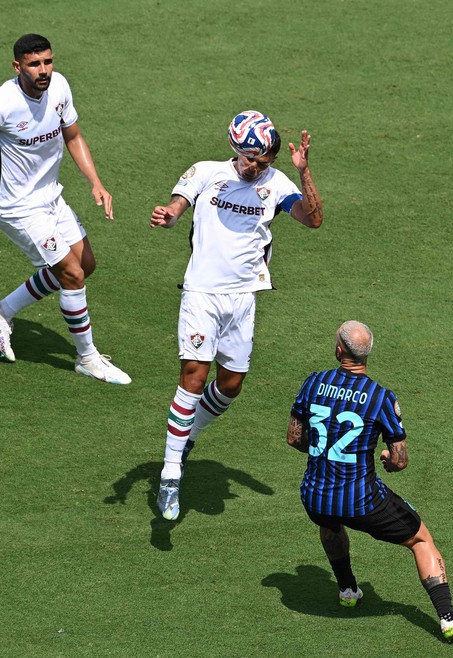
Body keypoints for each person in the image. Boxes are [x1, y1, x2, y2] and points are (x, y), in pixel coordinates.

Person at [149, 110, 324, 521]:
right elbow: (178, 205)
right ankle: (170, 474)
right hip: (202, 294)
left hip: (244, 297)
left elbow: (313, 220)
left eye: (263, 162)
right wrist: (169, 215)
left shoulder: (276, 184)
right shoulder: (205, 172)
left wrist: (303, 172)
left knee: (230, 385)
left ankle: (186, 436)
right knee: (193, 375)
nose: (255, 168)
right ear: (234, 147)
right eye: (250, 159)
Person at [0, 33, 130, 384]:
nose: (44, 70)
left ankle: (1, 311)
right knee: (70, 273)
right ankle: (87, 358)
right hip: (16, 207)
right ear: (17, 66)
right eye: (34, 64)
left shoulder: (59, 88)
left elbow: (72, 135)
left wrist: (95, 182)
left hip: (51, 197)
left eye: (48, 61)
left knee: (85, 265)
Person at [286, 321, 453, 642]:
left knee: (330, 521)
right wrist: (391, 462)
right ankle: (449, 618)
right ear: (368, 354)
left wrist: (325, 451)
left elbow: (294, 438)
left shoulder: (314, 383)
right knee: (421, 540)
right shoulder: (379, 398)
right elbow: (399, 459)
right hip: (362, 500)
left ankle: (348, 589)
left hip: (314, 495)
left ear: (338, 350)